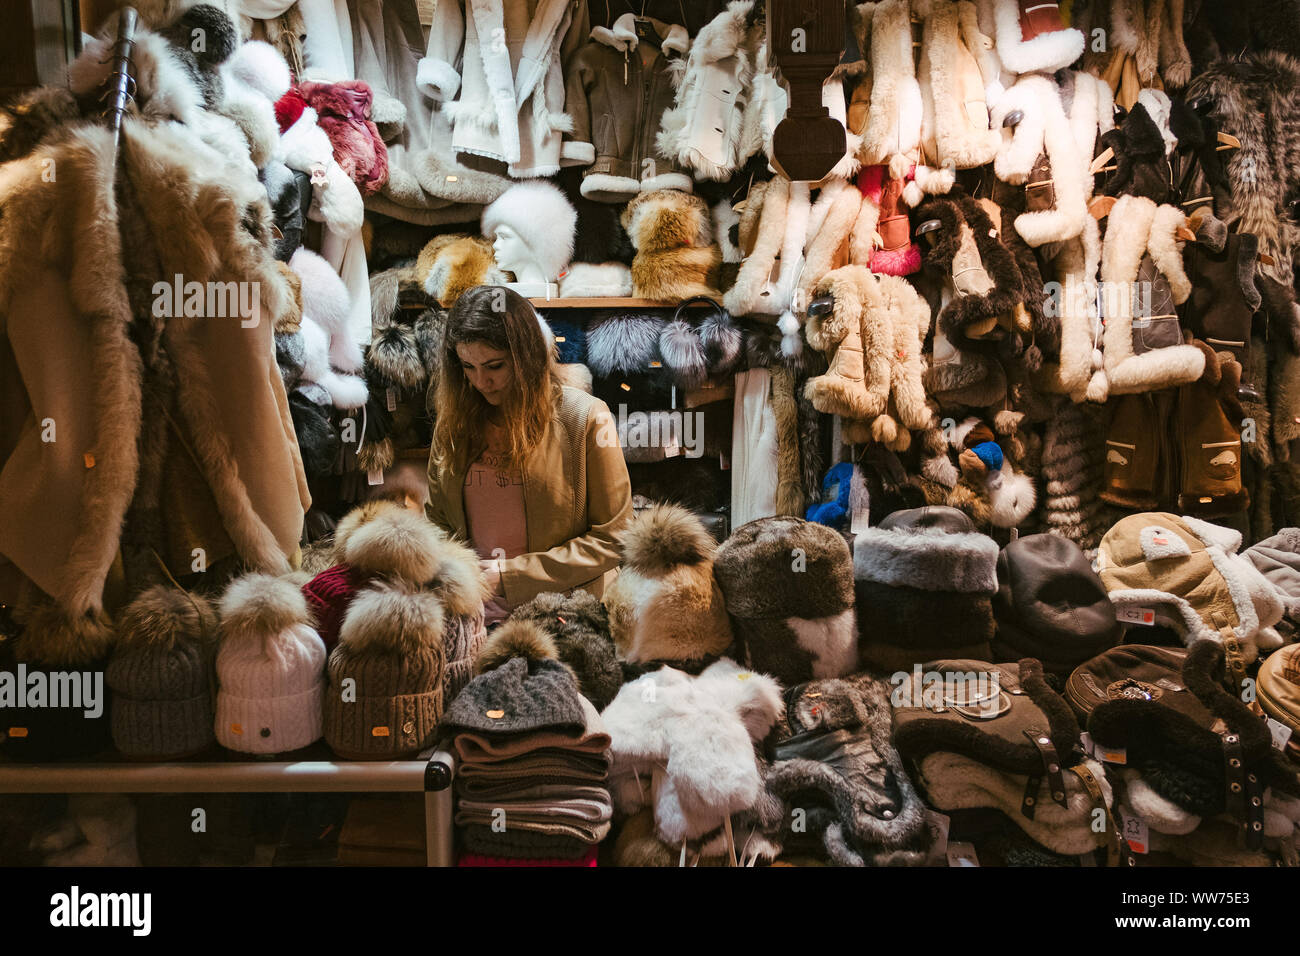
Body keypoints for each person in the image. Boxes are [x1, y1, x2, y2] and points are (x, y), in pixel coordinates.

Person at [426, 285, 633, 624]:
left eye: (494, 366)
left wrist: (512, 576)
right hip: (471, 618)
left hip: (565, 618)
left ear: (525, 359)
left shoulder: (585, 418)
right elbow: (439, 523)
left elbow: (614, 538)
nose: (481, 381)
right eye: (468, 366)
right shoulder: (453, 426)